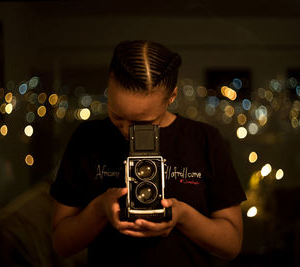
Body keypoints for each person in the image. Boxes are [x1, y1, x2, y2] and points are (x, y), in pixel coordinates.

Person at [50, 40, 246, 266]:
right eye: (117, 116)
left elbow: (232, 244)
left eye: (141, 122)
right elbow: (61, 244)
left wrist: (181, 215)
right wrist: (100, 209)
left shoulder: (205, 140)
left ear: (171, 97)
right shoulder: (88, 138)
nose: (126, 130)